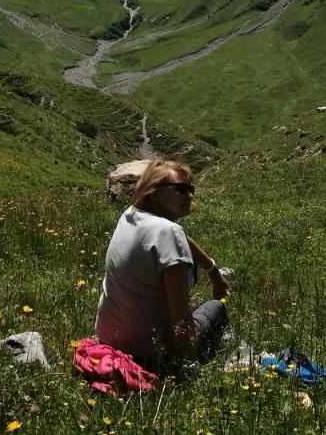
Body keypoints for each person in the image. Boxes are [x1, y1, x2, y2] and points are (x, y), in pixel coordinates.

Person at [94, 159, 229, 372]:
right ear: (154, 192)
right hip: (148, 351)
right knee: (216, 307)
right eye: (180, 189)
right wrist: (188, 368)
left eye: (191, 189)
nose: (190, 196)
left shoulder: (132, 214)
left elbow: (182, 235)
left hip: (109, 338)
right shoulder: (167, 233)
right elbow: (181, 319)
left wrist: (213, 271)